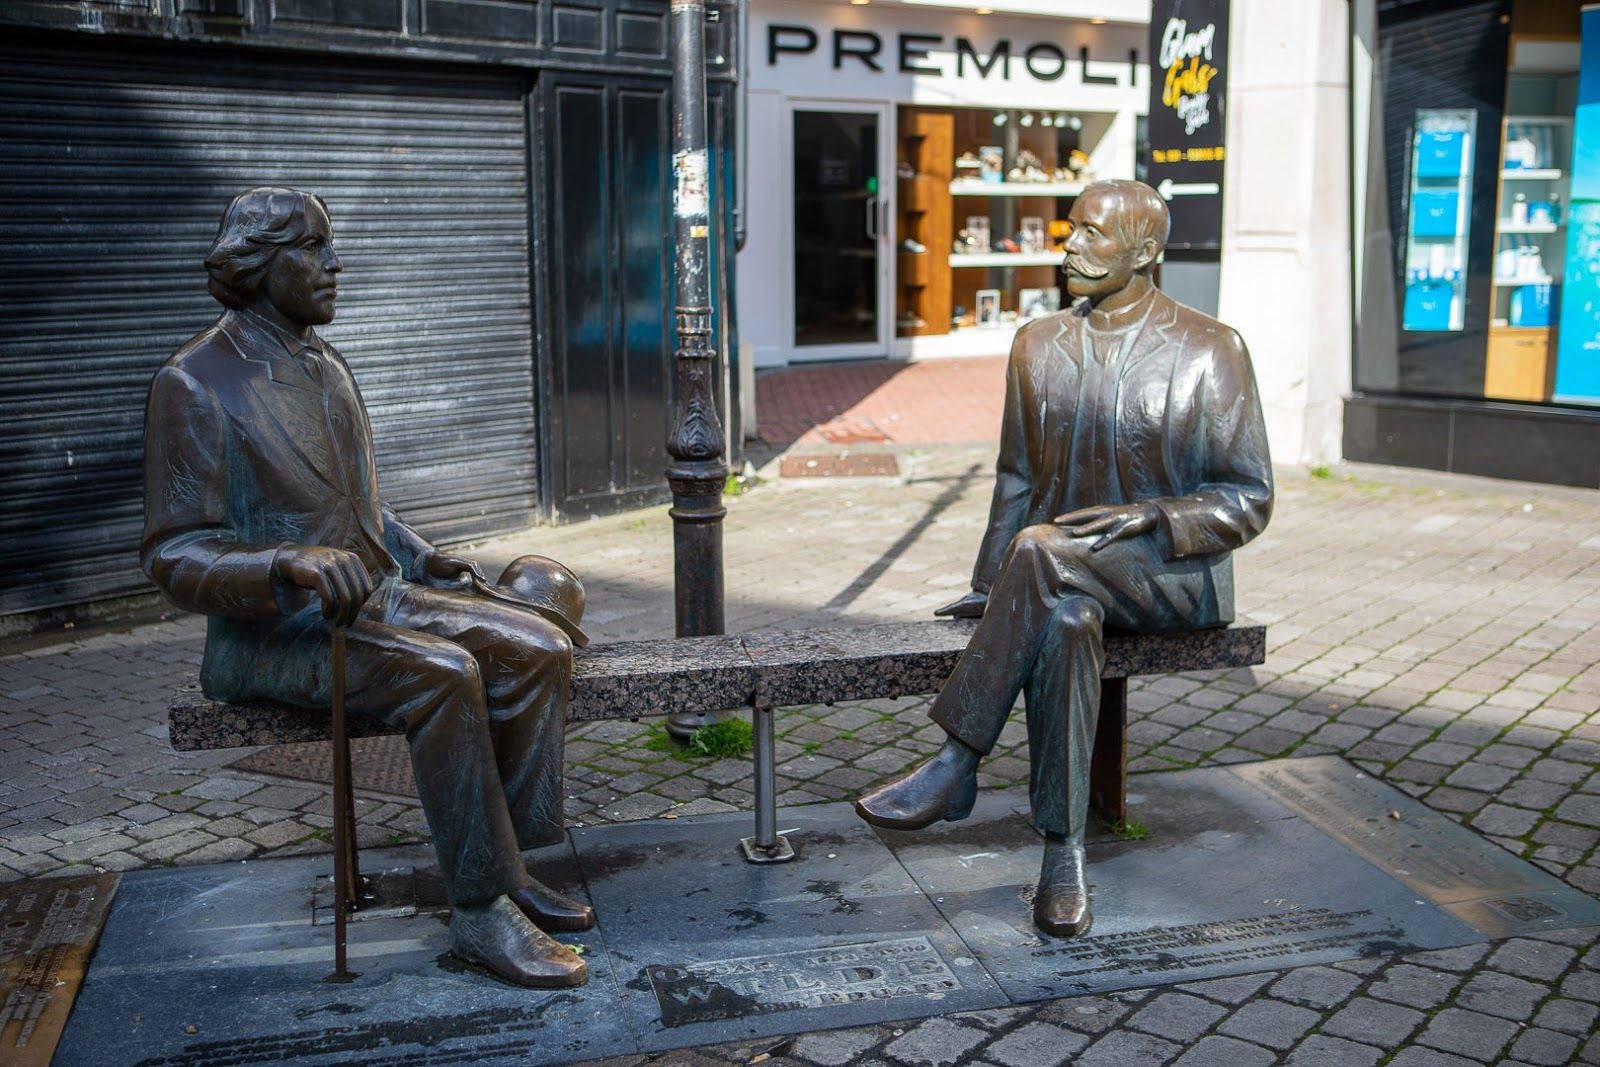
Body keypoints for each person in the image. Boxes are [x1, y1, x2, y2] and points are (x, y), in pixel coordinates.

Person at [142, 187, 592, 988]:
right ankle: (481, 908)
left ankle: (511, 862)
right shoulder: (196, 381)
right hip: (275, 632)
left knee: (537, 645)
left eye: (328, 245)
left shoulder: (326, 362)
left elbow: (358, 506)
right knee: (442, 675)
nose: (334, 263)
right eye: (313, 248)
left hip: (374, 595)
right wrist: (283, 563)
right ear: (258, 264)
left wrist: (420, 555)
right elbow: (176, 555)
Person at [855, 179, 1273, 938]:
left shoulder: (1212, 349)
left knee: (1046, 554)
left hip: (1168, 575)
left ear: (1145, 252)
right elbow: (1016, 478)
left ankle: (956, 760)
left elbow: (1249, 497)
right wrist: (995, 585)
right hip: (1058, 582)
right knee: (1070, 621)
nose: (1069, 246)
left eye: (1091, 234)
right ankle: (1063, 857)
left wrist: (1153, 514)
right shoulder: (1038, 344)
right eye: (1069, 229)